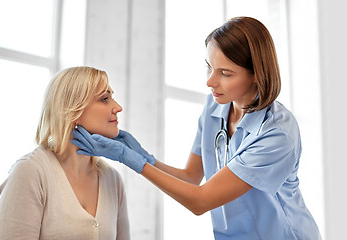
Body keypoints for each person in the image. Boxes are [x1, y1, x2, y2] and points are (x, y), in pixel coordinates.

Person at [72, 17, 321, 239]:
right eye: (209, 67)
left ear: (257, 74)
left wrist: (132, 161)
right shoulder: (214, 108)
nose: (210, 82)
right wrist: (146, 157)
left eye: (225, 73)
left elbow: (201, 200)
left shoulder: (278, 132)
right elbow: (191, 177)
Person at [0, 66, 130, 240]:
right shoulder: (30, 172)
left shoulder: (112, 179)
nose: (118, 107)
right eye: (105, 99)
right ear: (73, 111)